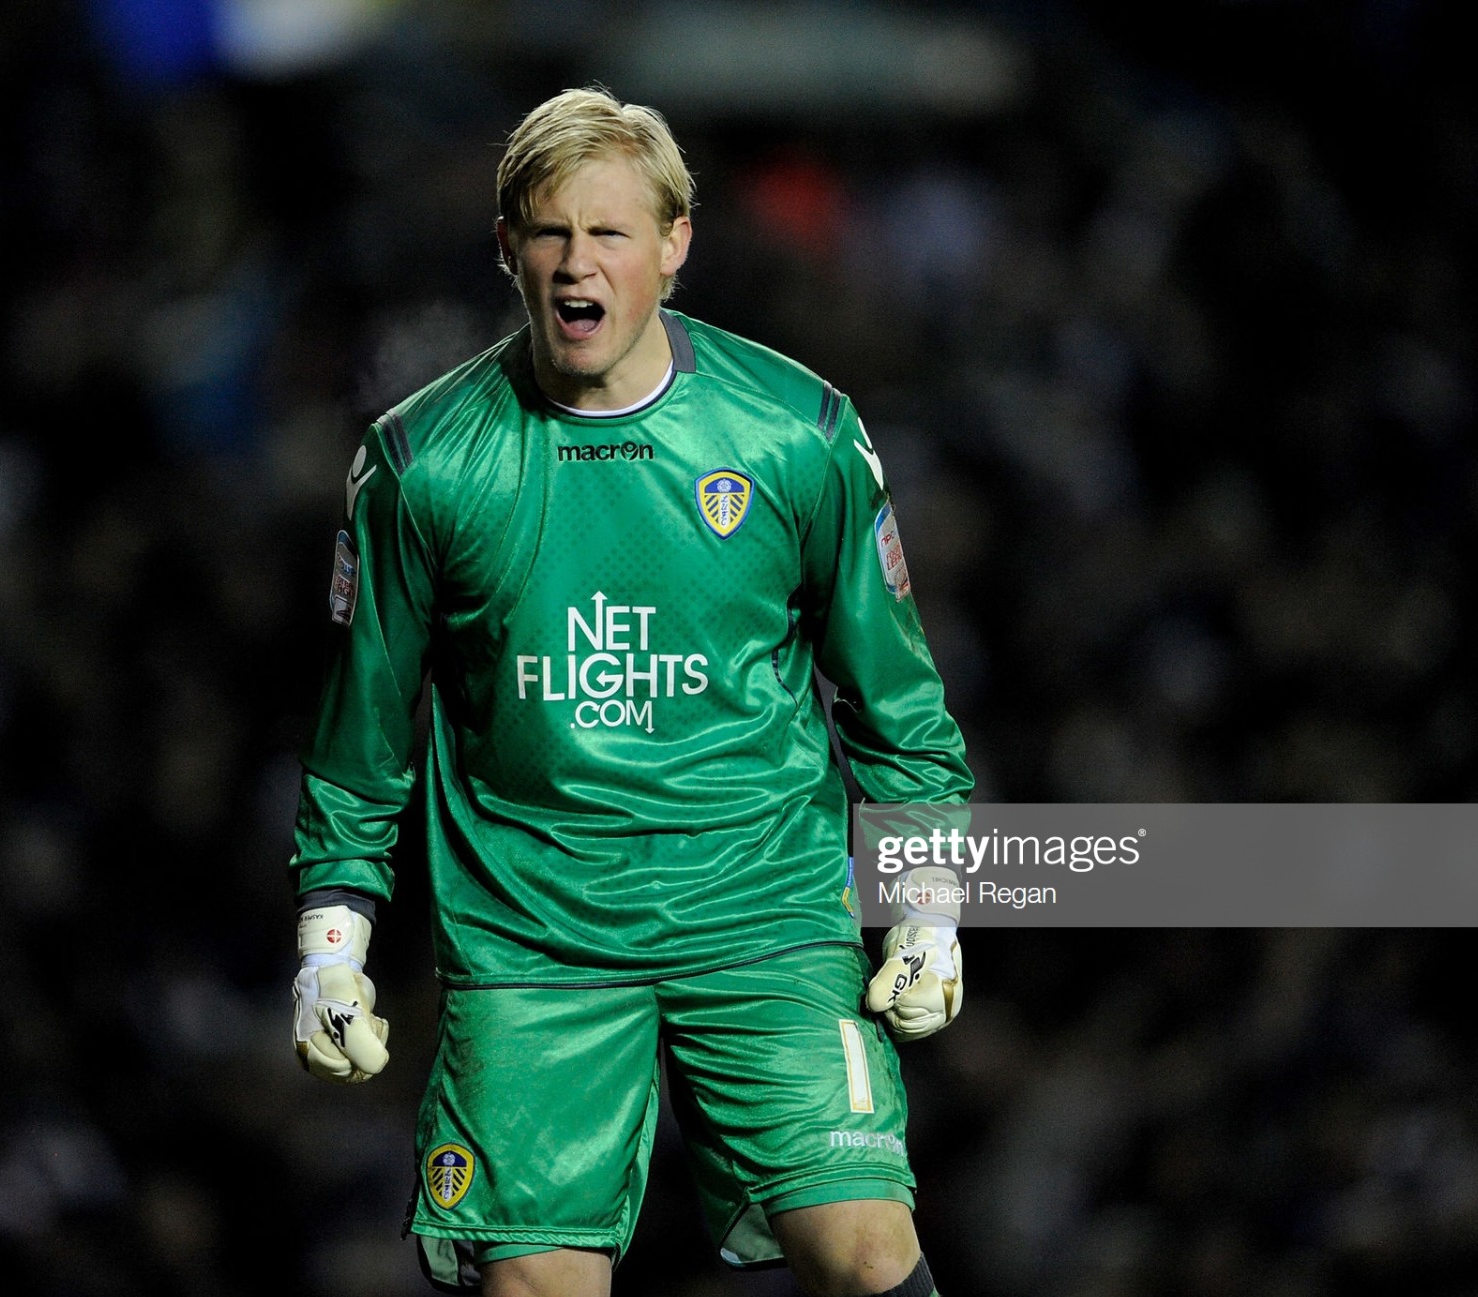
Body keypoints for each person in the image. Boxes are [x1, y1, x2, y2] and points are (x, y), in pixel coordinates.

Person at [287, 87, 972, 1297]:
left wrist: (928, 903)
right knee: (538, 1284)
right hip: (535, 933)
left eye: (609, 233)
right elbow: (365, 736)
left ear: (676, 244)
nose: (575, 263)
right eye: (549, 232)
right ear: (506, 249)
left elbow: (895, 700)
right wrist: (331, 946)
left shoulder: (795, 435)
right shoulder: (424, 463)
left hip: (762, 907)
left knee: (867, 1249)